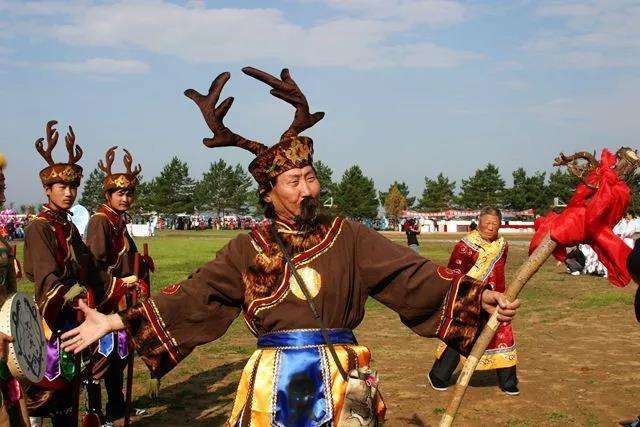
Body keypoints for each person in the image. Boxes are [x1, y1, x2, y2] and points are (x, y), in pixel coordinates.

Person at [60, 67, 519, 426]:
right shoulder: (246, 249)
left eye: (311, 177)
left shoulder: (348, 235)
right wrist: (114, 320)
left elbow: (411, 275)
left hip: (341, 378)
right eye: (293, 181)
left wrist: (478, 293)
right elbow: (194, 297)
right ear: (268, 192)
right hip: (274, 385)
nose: (307, 190)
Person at [23, 120, 104, 426]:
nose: (69, 192)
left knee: (69, 394)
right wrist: (77, 296)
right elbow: (46, 279)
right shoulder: (38, 227)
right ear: (47, 189)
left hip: (74, 318)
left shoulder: (68, 225)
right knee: (48, 393)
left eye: (73, 186)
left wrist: (119, 285)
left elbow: (92, 268)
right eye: (62, 187)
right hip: (50, 320)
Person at [84, 147, 151, 424]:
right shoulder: (101, 221)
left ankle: (117, 406)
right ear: (108, 196)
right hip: (105, 301)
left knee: (119, 355)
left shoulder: (118, 221)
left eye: (128, 193)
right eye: (119, 194)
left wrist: (143, 264)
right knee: (101, 357)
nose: (125, 198)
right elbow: (94, 266)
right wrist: (120, 284)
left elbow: (129, 257)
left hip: (122, 300)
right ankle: (96, 413)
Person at [429, 207, 519, 395]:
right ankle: (438, 375)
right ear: (479, 223)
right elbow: (454, 273)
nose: (490, 227)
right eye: (487, 223)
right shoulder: (465, 245)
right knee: (460, 336)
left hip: (497, 298)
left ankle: (508, 381)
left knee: (502, 335)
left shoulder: (503, 245)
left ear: (500, 225)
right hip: (470, 296)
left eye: (495, 224)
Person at [0, 153, 30, 427]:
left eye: (2, 186)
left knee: (12, 405)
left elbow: (11, 292)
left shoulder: (3, 241)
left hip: (3, 336)